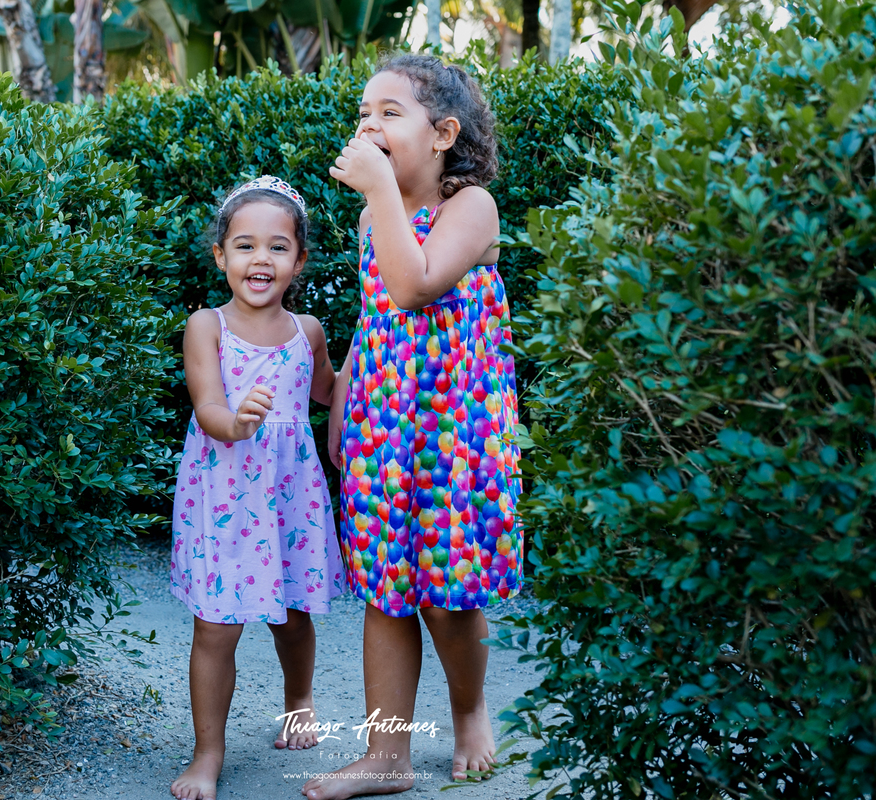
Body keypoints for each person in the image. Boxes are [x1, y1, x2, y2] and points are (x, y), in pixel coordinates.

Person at [303, 54, 523, 800]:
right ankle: (386, 755)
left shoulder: (473, 209)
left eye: (389, 114)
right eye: (364, 113)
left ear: (443, 134)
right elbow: (377, 314)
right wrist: (347, 401)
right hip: (385, 429)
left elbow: (417, 283)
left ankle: (469, 713)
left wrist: (378, 196)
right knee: (386, 591)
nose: (368, 126)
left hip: (457, 436)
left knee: (449, 594)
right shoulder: (375, 215)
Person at [170, 176, 345, 800]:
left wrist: (380, 355)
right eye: (244, 246)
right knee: (216, 628)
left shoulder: (309, 331)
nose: (260, 260)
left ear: (299, 261)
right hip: (224, 498)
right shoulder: (206, 326)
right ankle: (207, 752)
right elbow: (209, 405)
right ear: (221, 256)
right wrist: (239, 421)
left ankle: (300, 700)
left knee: (294, 616)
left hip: (289, 498)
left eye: (277, 247)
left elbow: (330, 390)